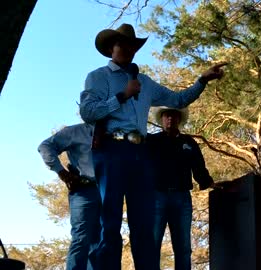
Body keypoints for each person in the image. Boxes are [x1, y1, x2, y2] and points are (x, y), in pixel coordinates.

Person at [79, 23, 226, 270]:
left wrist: (202, 80)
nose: (127, 49)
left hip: (141, 155)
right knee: (109, 222)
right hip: (112, 151)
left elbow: (178, 100)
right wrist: (121, 95)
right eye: (121, 44)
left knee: (144, 225)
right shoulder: (98, 77)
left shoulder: (145, 82)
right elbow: (88, 112)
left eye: (132, 46)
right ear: (111, 48)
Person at [148, 106, 218, 270]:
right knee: (152, 244)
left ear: (179, 119)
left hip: (182, 199)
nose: (170, 119)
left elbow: (198, 167)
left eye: (173, 115)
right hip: (157, 197)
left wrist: (209, 182)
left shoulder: (188, 142)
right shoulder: (152, 141)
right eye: (166, 116)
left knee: (183, 247)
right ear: (162, 119)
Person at [37, 123, 100, 270]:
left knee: (102, 240)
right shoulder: (74, 132)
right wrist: (62, 172)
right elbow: (45, 146)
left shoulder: (116, 130)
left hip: (109, 190)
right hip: (84, 190)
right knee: (81, 238)